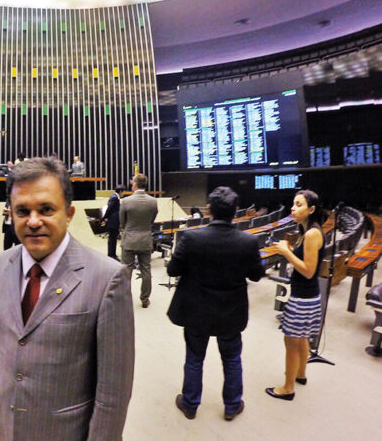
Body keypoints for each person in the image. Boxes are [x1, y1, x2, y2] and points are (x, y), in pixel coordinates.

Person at [0, 158, 134, 441]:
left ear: (69, 213)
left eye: (46, 209)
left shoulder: (108, 278)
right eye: (23, 211)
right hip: (8, 426)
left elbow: (113, 390)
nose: (33, 221)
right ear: (10, 214)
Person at [167, 186, 265, 421]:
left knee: (194, 358)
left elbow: (172, 269)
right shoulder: (248, 242)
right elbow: (256, 275)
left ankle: (190, 404)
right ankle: (232, 406)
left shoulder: (191, 237)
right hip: (231, 313)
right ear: (235, 211)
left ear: (209, 209)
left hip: (196, 311)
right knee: (231, 359)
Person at [266, 190, 325, 401]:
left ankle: (287, 388)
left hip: (303, 298)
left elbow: (309, 271)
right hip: (308, 297)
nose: (293, 208)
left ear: (311, 209)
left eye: (298, 204)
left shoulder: (311, 233)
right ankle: (300, 375)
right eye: (293, 204)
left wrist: (286, 252)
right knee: (301, 340)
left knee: (291, 341)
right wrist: (292, 248)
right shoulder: (306, 231)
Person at [120, 173, 158, 308]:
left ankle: (124, 299)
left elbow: (122, 222)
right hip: (146, 240)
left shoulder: (125, 201)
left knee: (126, 271)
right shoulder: (153, 202)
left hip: (129, 240)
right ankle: (145, 299)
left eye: (132, 182)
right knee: (146, 270)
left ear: (135, 184)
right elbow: (152, 221)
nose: (131, 183)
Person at [101, 184, 124, 260]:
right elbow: (109, 209)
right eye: (123, 192)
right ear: (120, 191)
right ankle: (111, 255)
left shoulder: (116, 197)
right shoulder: (114, 197)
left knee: (113, 238)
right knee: (112, 239)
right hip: (113, 221)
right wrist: (104, 218)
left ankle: (113, 254)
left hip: (114, 220)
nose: (123, 194)